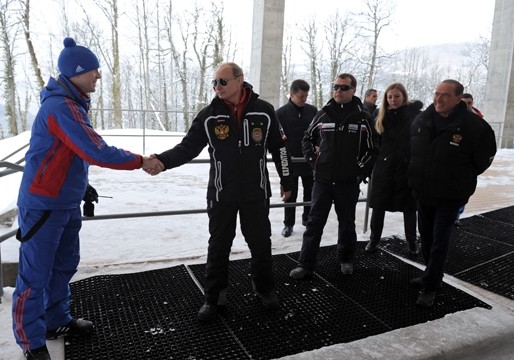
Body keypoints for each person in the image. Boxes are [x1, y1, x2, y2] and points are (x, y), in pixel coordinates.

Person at [12, 37, 152, 360]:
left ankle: (56, 320)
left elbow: (73, 154)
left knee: (63, 266)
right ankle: (30, 343)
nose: (98, 76)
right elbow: (95, 149)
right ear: (75, 73)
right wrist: (140, 161)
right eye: (93, 70)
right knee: (33, 277)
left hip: (65, 202)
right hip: (43, 205)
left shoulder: (73, 103)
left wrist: (82, 186)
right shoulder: (60, 107)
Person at [145, 62, 293, 322]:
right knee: (218, 246)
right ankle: (215, 297)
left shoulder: (264, 111)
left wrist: (287, 179)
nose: (217, 87)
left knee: (260, 245)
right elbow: (188, 147)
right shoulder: (209, 115)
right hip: (221, 193)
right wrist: (161, 161)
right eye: (214, 83)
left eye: (222, 82)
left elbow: (279, 148)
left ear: (239, 80)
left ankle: (265, 289)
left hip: (256, 193)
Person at [408, 79, 496, 307]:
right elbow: (414, 151)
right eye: (437, 93)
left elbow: (484, 159)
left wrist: (461, 177)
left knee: (439, 239)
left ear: (458, 98)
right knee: (425, 236)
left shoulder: (474, 126)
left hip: (450, 194)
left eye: (445, 95)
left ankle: (431, 285)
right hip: (424, 191)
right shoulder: (422, 119)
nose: (439, 98)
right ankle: (430, 274)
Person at [289, 73, 376, 279]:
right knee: (314, 223)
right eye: (335, 86)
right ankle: (305, 264)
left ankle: (346, 259)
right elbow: (307, 139)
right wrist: (313, 160)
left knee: (347, 224)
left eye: (344, 87)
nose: (338, 90)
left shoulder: (363, 117)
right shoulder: (323, 114)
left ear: (353, 90)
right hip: (323, 180)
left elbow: (373, 148)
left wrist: (359, 168)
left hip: (348, 182)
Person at [365, 83, 419, 255]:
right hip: (385, 168)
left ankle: (412, 242)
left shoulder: (415, 116)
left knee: (410, 208)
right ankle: (374, 240)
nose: (393, 100)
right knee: (378, 206)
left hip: (406, 167)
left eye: (396, 96)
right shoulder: (380, 116)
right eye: (389, 97)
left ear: (404, 96)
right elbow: (374, 142)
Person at [276, 79, 318, 237]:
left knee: (310, 191)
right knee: (290, 194)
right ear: (292, 94)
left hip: (309, 160)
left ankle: (307, 219)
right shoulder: (280, 113)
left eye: (306, 96)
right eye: (301, 96)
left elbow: (317, 134)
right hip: (290, 161)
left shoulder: (313, 111)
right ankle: (288, 223)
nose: (304, 99)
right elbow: (277, 139)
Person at [455, 93, 485, 226]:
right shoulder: (451, 116)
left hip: (469, 162)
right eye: (463, 103)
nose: (466, 106)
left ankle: (457, 214)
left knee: (463, 191)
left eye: (469, 103)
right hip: (453, 160)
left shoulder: (479, 120)